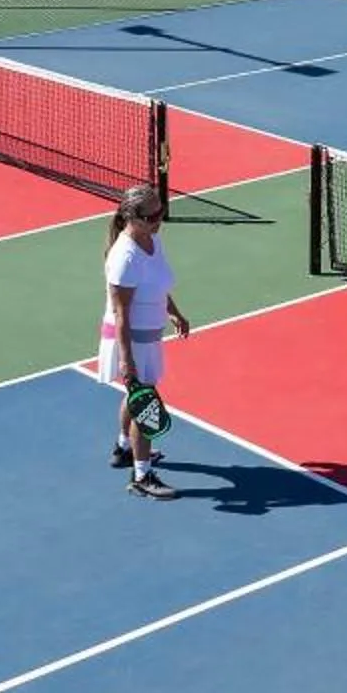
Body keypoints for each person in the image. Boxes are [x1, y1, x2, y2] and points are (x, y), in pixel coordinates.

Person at [98, 185, 191, 497]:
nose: (158, 219)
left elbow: (158, 285)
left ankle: (123, 449)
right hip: (131, 341)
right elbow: (121, 313)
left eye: (161, 211)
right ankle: (142, 476)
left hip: (148, 337)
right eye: (152, 216)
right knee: (145, 404)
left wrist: (173, 312)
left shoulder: (153, 240)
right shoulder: (124, 257)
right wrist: (127, 361)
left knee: (138, 395)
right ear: (133, 218)